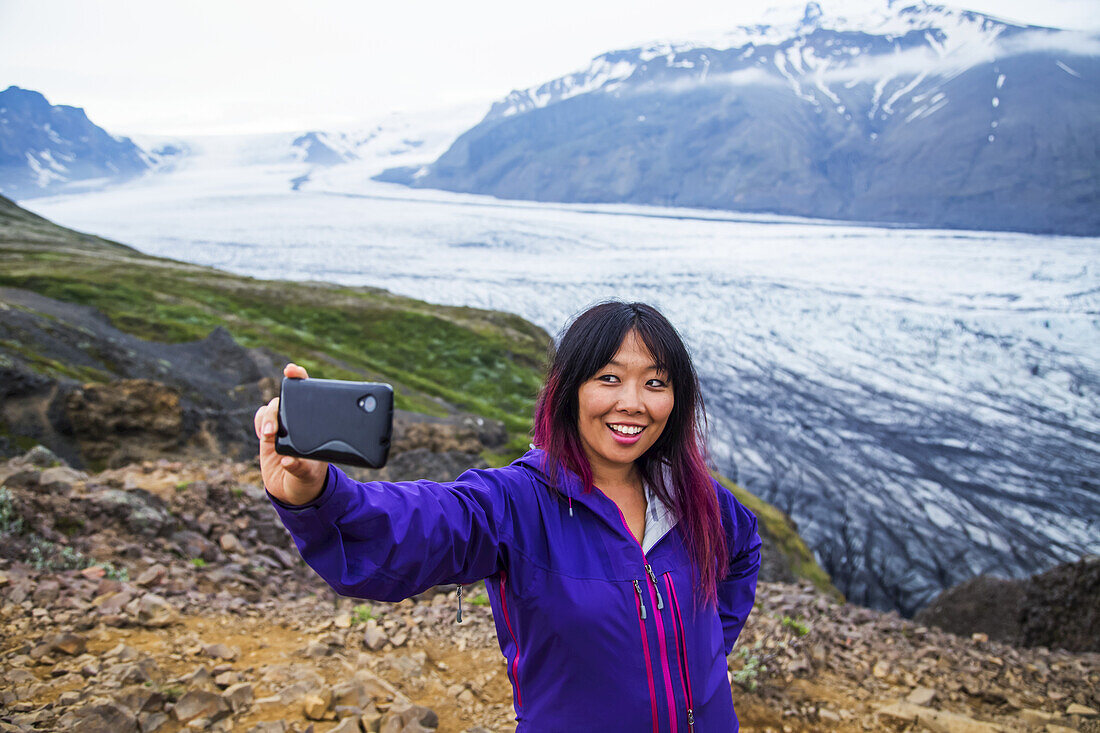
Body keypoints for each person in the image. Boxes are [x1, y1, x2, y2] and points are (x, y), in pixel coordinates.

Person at [254, 300, 762, 731]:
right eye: (609, 378)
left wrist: (706, 655)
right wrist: (318, 493)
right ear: (569, 391)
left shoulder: (693, 497)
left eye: (656, 382)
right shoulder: (516, 502)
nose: (633, 403)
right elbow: (417, 526)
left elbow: (744, 548)